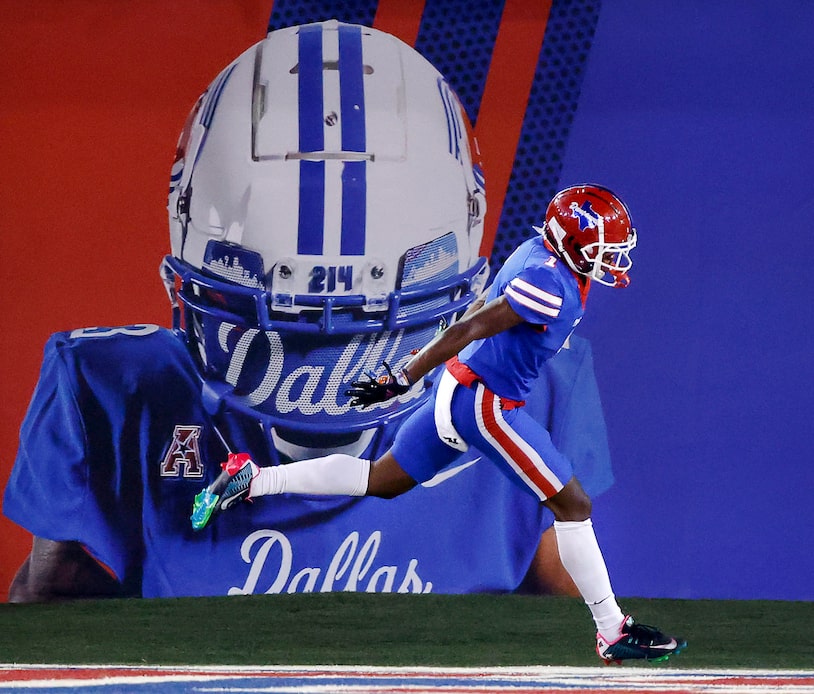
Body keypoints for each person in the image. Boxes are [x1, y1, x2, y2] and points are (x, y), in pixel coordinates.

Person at [2, 21, 612, 603]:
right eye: (292, 334)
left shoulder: (116, 387)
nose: (328, 344)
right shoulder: (110, 386)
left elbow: (52, 607)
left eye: (364, 321)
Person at [192, 182, 688, 664]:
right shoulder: (550, 284)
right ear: (575, 244)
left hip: (462, 386)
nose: (613, 260)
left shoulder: (538, 252)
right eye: (605, 249)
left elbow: (477, 309)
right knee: (572, 504)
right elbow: (474, 325)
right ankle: (612, 631)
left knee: (380, 480)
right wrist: (406, 374)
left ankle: (253, 479)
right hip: (487, 403)